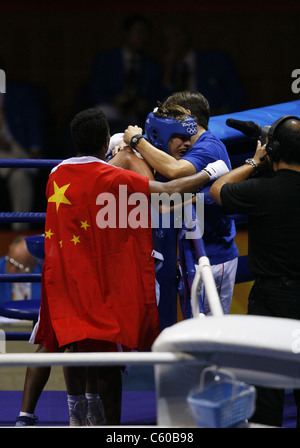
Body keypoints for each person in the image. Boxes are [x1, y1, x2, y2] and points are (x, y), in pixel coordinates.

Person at [29, 107, 228, 427]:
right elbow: (166, 193)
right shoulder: (114, 171)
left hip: (65, 272)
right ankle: (106, 425)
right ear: (107, 140)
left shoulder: (57, 172)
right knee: (104, 350)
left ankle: (48, 416)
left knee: (66, 343)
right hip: (103, 271)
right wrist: (210, 173)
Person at [209, 115, 300, 428]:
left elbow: (218, 189)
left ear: (273, 151)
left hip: (272, 303)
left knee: (268, 395)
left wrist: (255, 161)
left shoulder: (262, 190)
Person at [123, 92, 239, 321]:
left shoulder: (209, 148)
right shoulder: (181, 145)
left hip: (213, 256)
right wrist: (122, 143)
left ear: (187, 116)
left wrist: (137, 141)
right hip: (188, 254)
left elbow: (174, 172)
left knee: (208, 335)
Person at [89, 15, 161, 134]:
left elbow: (156, 95)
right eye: (138, 32)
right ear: (126, 33)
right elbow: (95, 91)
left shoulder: (151, 64)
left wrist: (144, 104)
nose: (142, 37)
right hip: (109, 108)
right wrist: (116, 102)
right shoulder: (106, 59)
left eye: (145, 33)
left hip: (138, 116)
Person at [160, 24, 246, 115]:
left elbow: (237, 97)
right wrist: (168, 69)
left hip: (216, 120)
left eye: (175, 36)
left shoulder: (214, 61)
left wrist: (216, 114)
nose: (170, 43)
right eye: (166, 39)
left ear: (185, 36)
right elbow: (163, 104)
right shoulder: (169, 69)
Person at [0, 235, 42, 308]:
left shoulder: (42, 273)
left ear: (32, 267)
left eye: (18, 267)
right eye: (10, 261)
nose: (12, 269)